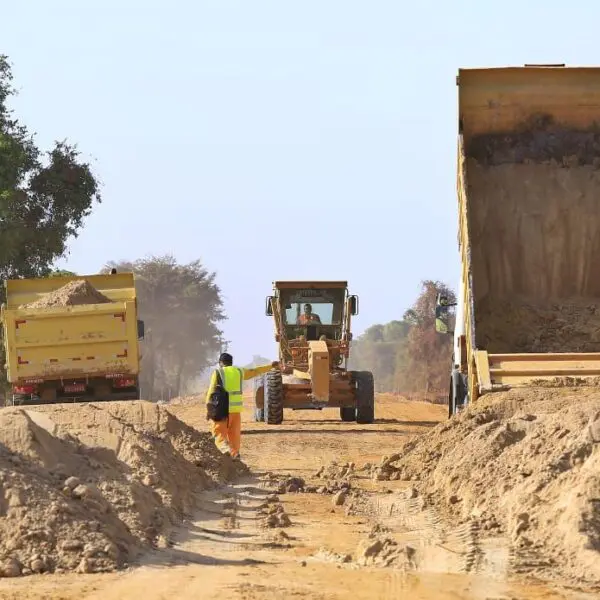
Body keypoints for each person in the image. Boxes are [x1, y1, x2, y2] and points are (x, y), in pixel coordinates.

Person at [205, 352, 279, 460]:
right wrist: (270, 366)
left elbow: (211, 392)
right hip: (236, 411)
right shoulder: (239, 371)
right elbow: (255, 371)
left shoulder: (218, 372)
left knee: (219, 434)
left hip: (222, 410)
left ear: (221, 363)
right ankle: (235, 456)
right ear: (231, 362)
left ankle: (225, 450)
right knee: (234, 436)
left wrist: (209, 409)